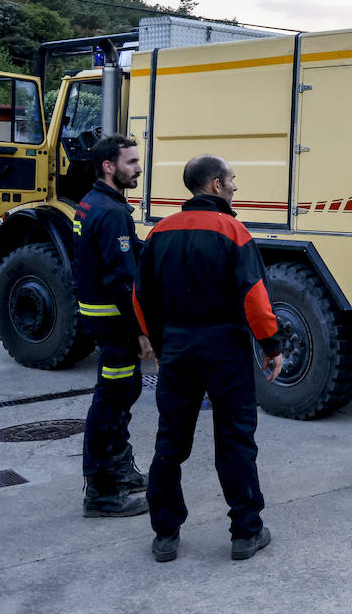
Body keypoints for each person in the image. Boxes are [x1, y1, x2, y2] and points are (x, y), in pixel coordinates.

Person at [133, 155, 285, 563]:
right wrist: (271, 347)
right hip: (226, 350)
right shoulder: (233, 231)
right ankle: (246, 533)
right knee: (235, 441)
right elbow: (255, 297)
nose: (236, 186)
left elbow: (140, 296)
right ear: (215, 184)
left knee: (170, 442)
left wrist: (160, 344)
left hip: (178, 349)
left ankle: (165, 535)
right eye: (233, 179)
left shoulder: (159, 232)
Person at [74, 133, 152, 518]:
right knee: (110, 403)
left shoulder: (92, 204)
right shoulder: (110, 212)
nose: (138, 168)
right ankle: (102, 494)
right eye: (132, 162)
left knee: (124, 393)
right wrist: (142, 331)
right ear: (109, 166)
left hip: (100, 318)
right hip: (115, 322)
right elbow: (121, 281)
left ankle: (121, 470)